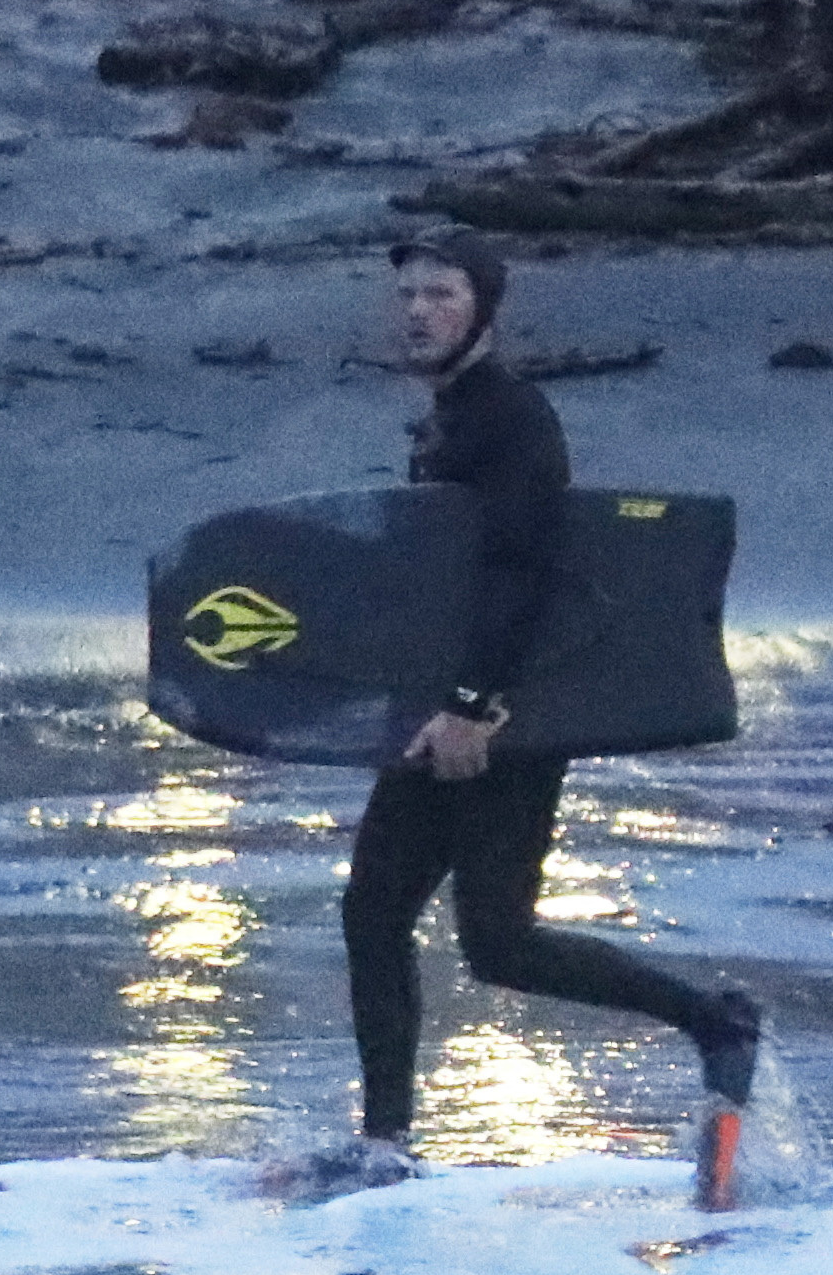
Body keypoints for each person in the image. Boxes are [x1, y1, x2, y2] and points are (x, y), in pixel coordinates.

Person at [312, 234, 766, 1200]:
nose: (419, 310)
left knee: (479, 937)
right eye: (409, 295)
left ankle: (714, 1018)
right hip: (455, 705)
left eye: (441, 293)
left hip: (500, 713)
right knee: (413, 921)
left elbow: (527, 573)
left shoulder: (512, 419)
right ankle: (385, 1142)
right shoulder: (455, 417)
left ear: (485, 310)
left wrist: (476, 709)